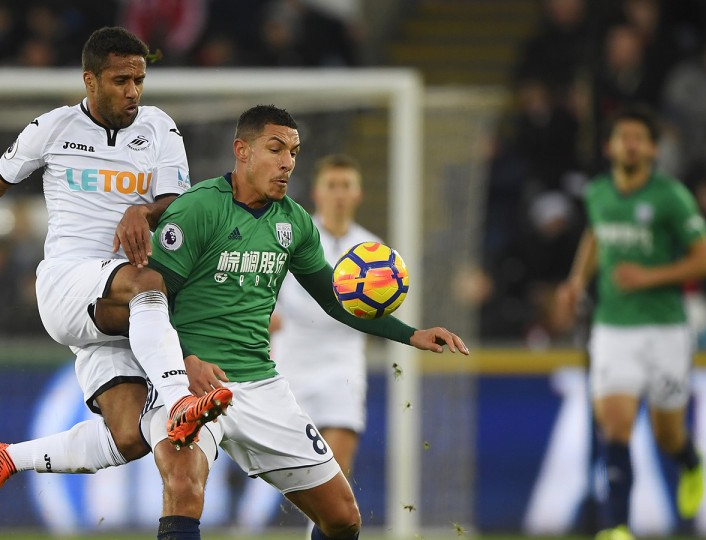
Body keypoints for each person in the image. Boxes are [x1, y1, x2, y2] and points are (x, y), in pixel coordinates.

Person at [0, 26, 231, 519]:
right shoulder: (53, 128)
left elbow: (176, 203)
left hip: (128, 310)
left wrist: (143, 211)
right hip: (69, 283)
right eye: (120, 80)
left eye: (139, 80)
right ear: (90, 80)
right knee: (148, 282)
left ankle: (6, 458)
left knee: (129, 437)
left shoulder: (160, 127)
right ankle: (180, 399)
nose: (133, 91)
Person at [137, 105, 468, 540]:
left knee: (343, 518)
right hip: (192, 384)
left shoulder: (293, 222)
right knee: (184, 487)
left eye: (293, 152)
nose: (287, 163)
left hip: (261, 385)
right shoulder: (197, 208)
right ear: (242, 150)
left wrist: (411, 334)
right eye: (275, 149)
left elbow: (335, 298)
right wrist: (184, 360)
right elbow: (148, 301)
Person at [557, 107, 706, 540]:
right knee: (615, 425)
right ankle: (618, 529)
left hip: (666, 330)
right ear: (609, 146)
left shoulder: (671, 196)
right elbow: (596, 233)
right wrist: (576, 280)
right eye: (622, 137)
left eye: (638, 138)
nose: (629, 145)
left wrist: (649, 276)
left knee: (667, 434)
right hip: (613, 327)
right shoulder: (598, 193)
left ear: (652, 149)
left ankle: (690, 461)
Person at [269, 153, 377, 480]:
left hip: (343, 368)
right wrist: (267, 314)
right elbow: (262, 288)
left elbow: (385, 309)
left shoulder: (373, 250)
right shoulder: (290, 238)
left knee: (336, 474)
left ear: (358, 194)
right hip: (292, 365)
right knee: (296, 476)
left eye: (346, 185)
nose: (339, 193)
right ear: (317, 193)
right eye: (331, 185)